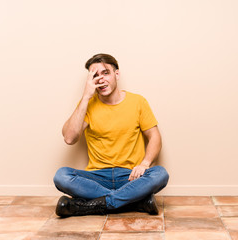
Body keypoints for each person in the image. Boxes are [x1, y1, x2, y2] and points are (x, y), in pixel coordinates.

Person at [53, 53, 169, 217]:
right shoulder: (87, 105)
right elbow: (69, 138)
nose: (100, 79)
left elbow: (155, 137)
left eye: (105, 72)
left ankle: (91, 205)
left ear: (117, 74)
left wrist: (144, 163)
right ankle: (134, 201)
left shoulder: (138, 102)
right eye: (95, 75)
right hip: (96, 177)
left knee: (160, 174)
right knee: (61, 176)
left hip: (130, 176)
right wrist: (86, 96)